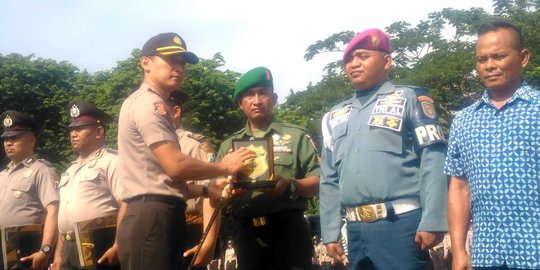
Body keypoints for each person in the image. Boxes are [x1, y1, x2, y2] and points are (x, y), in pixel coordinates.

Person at [116, 32, 255, 270]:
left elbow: (162, 180)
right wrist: (225, 166)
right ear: (145, 63)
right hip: (153, 217)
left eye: (182, 62)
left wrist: (205, 189)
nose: (179, 67)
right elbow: (176, 166)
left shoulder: (144, 103)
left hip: (151, 214)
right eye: (171, 60)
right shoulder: (150, 104)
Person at [319, 28, 448, 269]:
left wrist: (433, 219)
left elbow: (433, 160)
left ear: (387, 61)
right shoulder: (333, 115)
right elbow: (329, 179)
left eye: (363, 56)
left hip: (401, 224)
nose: (354, 64)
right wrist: (330, 231)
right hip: (354, 231)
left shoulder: (410, 99)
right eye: (349, 59)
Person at [445, 20, 539, 270]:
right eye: (482, 59)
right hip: (487, 255)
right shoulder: (464, 120)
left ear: (523, 58)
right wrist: (458, 251)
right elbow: (459, 187)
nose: (489, 66)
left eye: (498, 56)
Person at [216, 66, 320, 270]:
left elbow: (319, 182)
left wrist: (290, 185)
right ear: (240, 104)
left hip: (289, 233)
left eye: (263, 93)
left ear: (273, 99)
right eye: (249, 95)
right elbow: (214, 193)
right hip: (247, 235)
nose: (256, 100)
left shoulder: (296, 136)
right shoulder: (229, 145)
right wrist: (225, 189)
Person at [52, 100, 125, 270]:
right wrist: (57, 255)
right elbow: (65, 217)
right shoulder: (70, 169)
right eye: (71, 129)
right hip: (68, 248)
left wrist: (118, 244)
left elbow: (126, 203)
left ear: (99, 131)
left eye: (79, 128)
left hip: (98, 243)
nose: (73, 134)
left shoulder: (112, 162)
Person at [166, 90, 220, 269]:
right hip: (159, 229)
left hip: (191, 230)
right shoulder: (150, 146)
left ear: (175, 112)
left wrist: (206, 241)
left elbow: (212, 192)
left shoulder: (195, 145)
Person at [0, 110, 59, 270]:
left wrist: (45, 250)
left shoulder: (41, 170)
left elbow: (53, 211)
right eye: (6, 139)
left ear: (31, 140)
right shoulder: (3, 175)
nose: (8, 143)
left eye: (14, 138)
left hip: (27, 247)